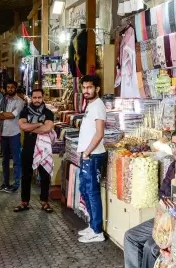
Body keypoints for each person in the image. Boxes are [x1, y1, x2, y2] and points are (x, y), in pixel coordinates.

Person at [124, 129, 176, 268]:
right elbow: (162, 193)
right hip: (165, 217)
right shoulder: (173, 166)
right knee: (130, 236)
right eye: (173, 145)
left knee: (151, 246)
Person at [76, 75, 107, 243]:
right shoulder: (91, 105)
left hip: (93, 155)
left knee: (92, 193)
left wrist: (87, 152)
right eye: (84, 87)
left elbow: (99, 133)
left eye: (89, 87)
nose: (86, 90)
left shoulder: (98, 106)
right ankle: (92, 225)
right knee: (85, 190)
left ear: (97, 89)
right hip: (87, 154)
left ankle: (97, 231)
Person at [14, 88, 55, 213]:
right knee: (26, 176)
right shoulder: (24, 111)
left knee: (44, 176)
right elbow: (22, 126)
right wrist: (38, 125)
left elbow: (46, 129)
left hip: (43, 150)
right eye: (35, 97)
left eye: (39, 97)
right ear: (31, 98)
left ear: (43, 98)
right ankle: (24, 202)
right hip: (28, 148)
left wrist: (30, 127)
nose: (37, 100)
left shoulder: (48, 113)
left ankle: (44, 202)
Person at [0, 81, 24, 193]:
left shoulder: (20, 101)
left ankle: (16, 184)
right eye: (8, 87)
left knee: (16, 160)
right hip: (4, 134)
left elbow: (13, 115)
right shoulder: (2, 100)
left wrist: (2, 114)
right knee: (4, 160)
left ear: (15, 88)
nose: (10, 89)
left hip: (14, 134)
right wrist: (5, 114)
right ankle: (5, 183)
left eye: (12, 87)